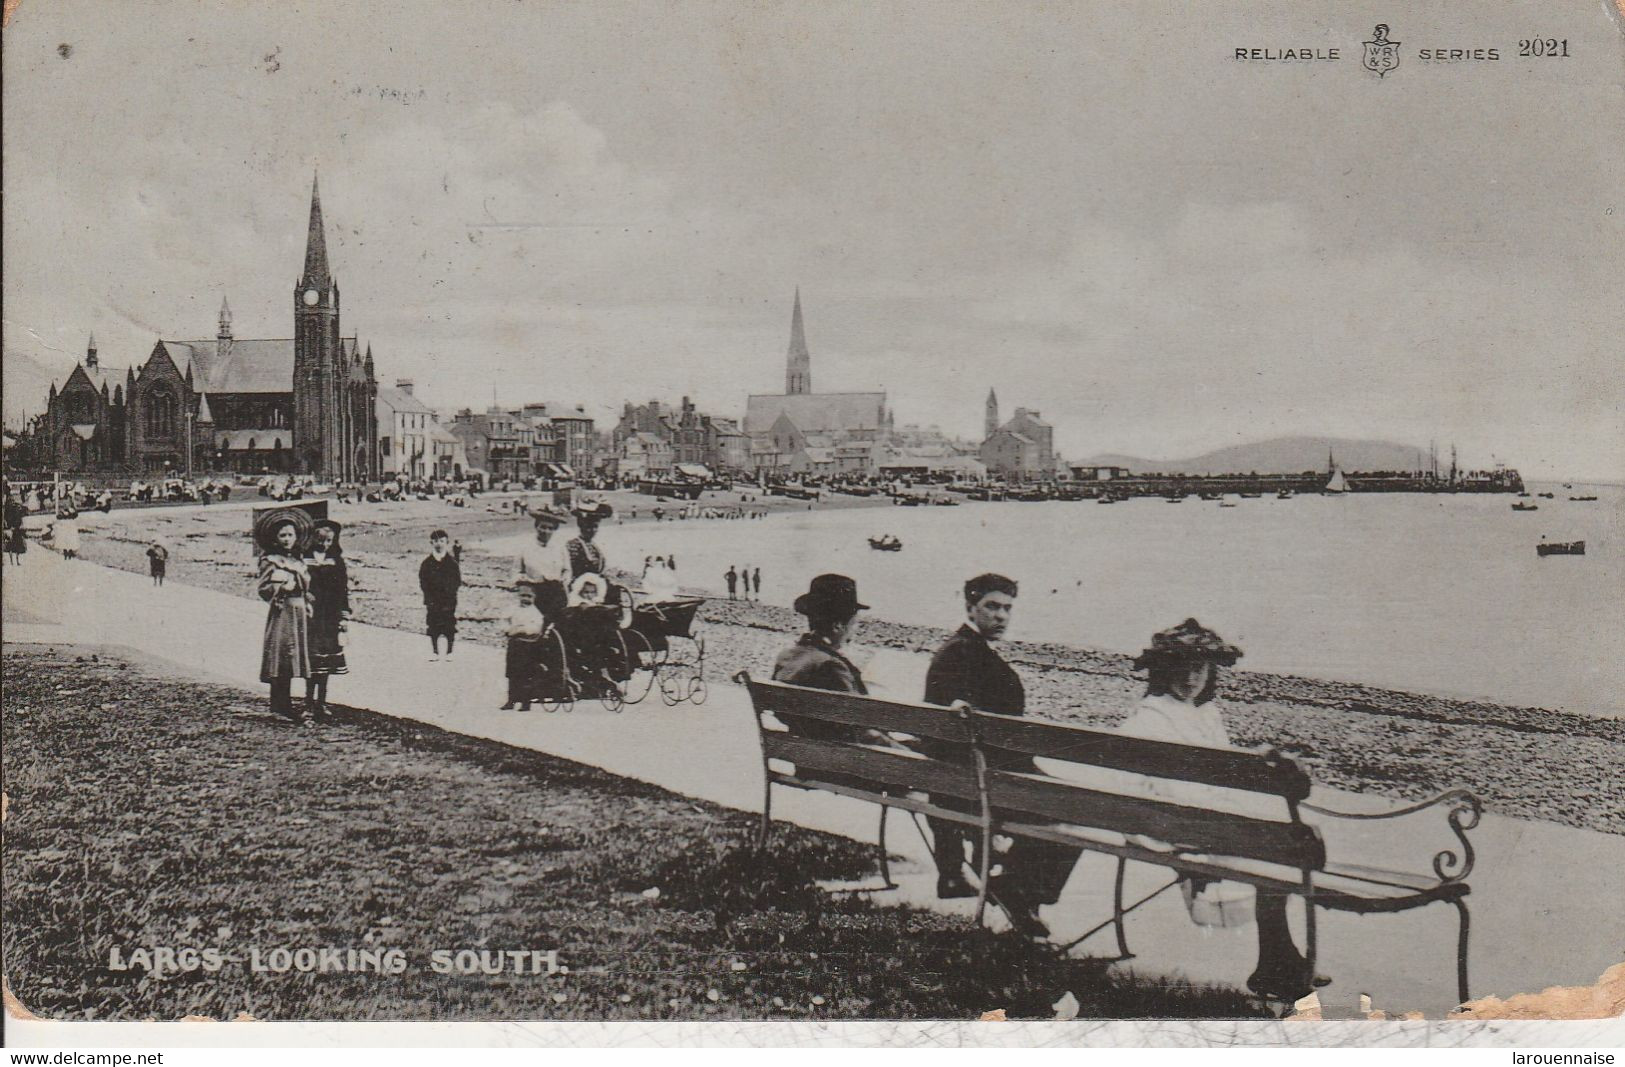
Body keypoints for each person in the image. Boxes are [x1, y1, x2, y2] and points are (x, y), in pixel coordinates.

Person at [1118, 618, 1330, 1001]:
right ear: (1163, 671)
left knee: (1275, 838)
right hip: (1174, 824)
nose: (1190, 677)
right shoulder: (1153, 717)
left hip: (1189, 819)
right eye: (1180, 668)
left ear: (1211, 671)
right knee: (1279, 843)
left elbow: (1220, 770)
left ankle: (1278, 960)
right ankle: (1277, 964)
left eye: (1199, 668)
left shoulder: (1199, 712)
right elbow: (1173, 788)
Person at [919, 573, 1079, 938]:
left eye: (1008, 608)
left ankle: (1014, 885)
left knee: (1061, 798)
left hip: (967, 777)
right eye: (992, 606)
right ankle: (1018, 889)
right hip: (980, 782)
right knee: (1073, 806)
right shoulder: (963, 654)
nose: (1002, 616)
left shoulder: (959, 650)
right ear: (970, 608)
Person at [771, 575, 887, 767]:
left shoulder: (786, 657)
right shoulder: (831, 666)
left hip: (806, 761)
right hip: (844, 767)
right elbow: (860, 728)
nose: (853, 632)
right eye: (854, 624)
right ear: (838, 626)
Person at [256, 515, 314, 725]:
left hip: (299, 612)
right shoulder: (270, 560)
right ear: (276, 538)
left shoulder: (298, 560)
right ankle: (279, 703)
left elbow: (306, 586)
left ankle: (286, 702)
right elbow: (263, 589)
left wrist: (307, 599)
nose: (287, 539)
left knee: (293, 655)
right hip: (282, 612)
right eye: (283, 535)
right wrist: (280, 588)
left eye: (290, 535)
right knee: (281, 654)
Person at [303, 519, 350, 719]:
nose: (324, 545)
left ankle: (322, 702)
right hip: (311, 614)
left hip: (329, 615)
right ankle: (308, 703)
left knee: (327, 662)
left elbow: (342, 590)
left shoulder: (336, 561)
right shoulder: (304, 559)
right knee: (311, 660)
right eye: (321, 540)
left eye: (329, 541)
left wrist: (343, 615)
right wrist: (305, 594)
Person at [418, 529, 462, 660]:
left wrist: (450, 594)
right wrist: (429, 596)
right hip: (432, 599)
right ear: (431, 542)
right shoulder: (426, 563)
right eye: (436, 541)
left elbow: (457, 581)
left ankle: (450, 651)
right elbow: (423, 581)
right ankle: (435, 651)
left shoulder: (452, 563)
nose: (439, 544)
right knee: (433, 624)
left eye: (442, 541)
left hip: (448, 600)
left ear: (447, 542)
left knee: (449, 624)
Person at [500, 585, 545, 711]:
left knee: (526, 673)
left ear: (534, 598)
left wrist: (523, 630)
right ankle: (511, 700)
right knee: (512, 673)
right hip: (515, 643)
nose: (526, 599)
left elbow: (536, 628)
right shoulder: (513, 609)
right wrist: (509, 629)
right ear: (518, 596)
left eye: (529, 596)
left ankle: (526, 702)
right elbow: (504, 621)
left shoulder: (535, 613)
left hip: (529, 645)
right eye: (523, 596)